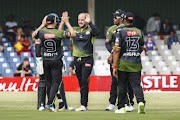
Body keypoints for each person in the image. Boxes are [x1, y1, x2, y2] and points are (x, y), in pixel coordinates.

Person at [32, 11, 75, 112]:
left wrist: (42, 25)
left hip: (46, 60)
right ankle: (50, 103)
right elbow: (73, 34)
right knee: (56, 82)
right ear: (55, 22)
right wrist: (66, 22)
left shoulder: (42, 32)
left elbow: (34, 35)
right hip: (56, 60)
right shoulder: (58, 33)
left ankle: (51, 104)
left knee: (49, 83)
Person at [61, 13, 100, 111]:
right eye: (79, 20)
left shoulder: (90, 30)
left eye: (82, 20)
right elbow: (60, 33)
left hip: (88, 59)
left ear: (86, 20)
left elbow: (97, 32)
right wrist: (63, 21)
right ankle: (83, 105)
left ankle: (83, 105)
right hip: (76, 60)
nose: (80, 22)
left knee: (84, 81)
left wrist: (90, 22)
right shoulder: (74, 30)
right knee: (81, 83)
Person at [113, 12, 146, 114]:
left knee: (122, 85)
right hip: (136, 62)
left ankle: (121, 107)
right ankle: (141, 102)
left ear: (124, 20)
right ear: (133, 20)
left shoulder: (121, 32)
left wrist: (114, 66)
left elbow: (117, 50)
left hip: (123, 63)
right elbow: (141, 47)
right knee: (136, 85)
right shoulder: (139, 32)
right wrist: (135, 54)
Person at [105, 9, 135, 112]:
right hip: (115, 57)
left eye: (115, 17)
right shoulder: (111, 29)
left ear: (121, 19)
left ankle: (129, 103)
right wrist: (112, 53)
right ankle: (112, 103)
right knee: (114, 82)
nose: (114, 19)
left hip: (125, 58)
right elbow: (107, 43)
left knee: (127, 82)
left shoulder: (128, 29)